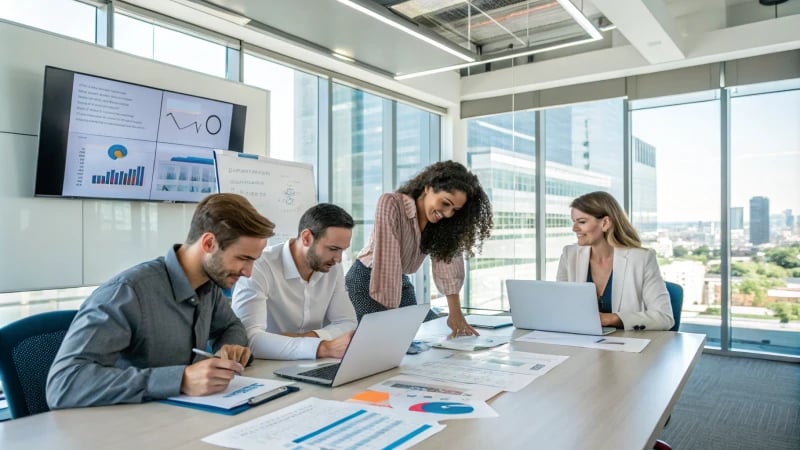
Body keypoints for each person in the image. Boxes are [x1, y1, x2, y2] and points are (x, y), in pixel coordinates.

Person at [46, 193, 275, 409]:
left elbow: (231, 326)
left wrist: (227, 348)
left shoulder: (209, 286)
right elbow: (63, 384)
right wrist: (181, 379)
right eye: (243, 258)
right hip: (123, 427)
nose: (248, 272)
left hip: (180, 417)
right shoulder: (128, 293)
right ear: (208, 244)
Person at [346, 160, 493, 337]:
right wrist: (395, 322)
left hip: (399, 279)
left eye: (454, 210)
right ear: (428, 187)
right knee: (383, 339)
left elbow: (448, 264)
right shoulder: (391, 203)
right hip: (366, 280)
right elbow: (388, 260)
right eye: (445, 203)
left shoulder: (443, 223)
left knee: (430, 329)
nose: (447, 214)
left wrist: (455, 313)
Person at [232, 203, 357, 360]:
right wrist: (322, 347)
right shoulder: (259, 267)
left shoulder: (331, 267)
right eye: (333, 249)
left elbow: (348, 322)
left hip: (315, 363)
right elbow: (249, 339)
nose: (338, 259)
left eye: (342, 250)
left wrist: (307, 337)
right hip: (267, 366)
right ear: (306, 238)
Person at [556, 191, 674, 331]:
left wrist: (611, 318)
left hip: (627, 347)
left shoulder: (641, 259)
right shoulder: (569, 255)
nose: (574, 228)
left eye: (581, 222)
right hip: (580, 343)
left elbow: (664, 318)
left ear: (605, 223)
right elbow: (560, 307)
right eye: (574, 222)